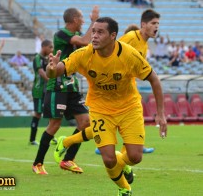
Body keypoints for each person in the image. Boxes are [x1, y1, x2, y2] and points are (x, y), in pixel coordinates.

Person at [48, 16, 167, 196]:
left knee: (135, 157)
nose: (94, 36)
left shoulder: (128, 54)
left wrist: (161, 114)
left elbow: (154, 79)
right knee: (109, 160)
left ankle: (121, 161)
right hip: (100, 109)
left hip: (129, 108)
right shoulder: (84, 54)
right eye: (93, 31)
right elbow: (56, 71)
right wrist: (51, 68)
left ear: (113, 36)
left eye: (100, 32)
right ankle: (124, 188)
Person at [55, 9, 161, 159]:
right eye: (153, 23)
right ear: (143, 25)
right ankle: (102, 147)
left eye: (158, 23)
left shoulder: (144, 44)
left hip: (124, 90)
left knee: (129, 141)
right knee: (106, 128)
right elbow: (112, 53)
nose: (156, 26)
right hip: (106, 93)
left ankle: (69, 142)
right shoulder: (131, 38)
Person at [32, 6, 99, 175]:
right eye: (82, 18)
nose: (83, 21)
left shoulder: (74, 38)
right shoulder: (61, 34)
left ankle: (68, 159)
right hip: (57, 85)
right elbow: (85, 41)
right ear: (75, 20)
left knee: (85, 122)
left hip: (72, 85)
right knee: (54, 125)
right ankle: (38, 163)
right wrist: (93, 22)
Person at [29, 39, 53, 145]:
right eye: (50, 47)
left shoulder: (47, 59)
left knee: (50, 113)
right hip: (38, 90)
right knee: (38, 114)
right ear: (44, 47)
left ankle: (50, 137)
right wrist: (51, 80)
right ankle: (32, 139)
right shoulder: (37, 58)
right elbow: (41, 72)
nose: (51, 49)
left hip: (47, 90)